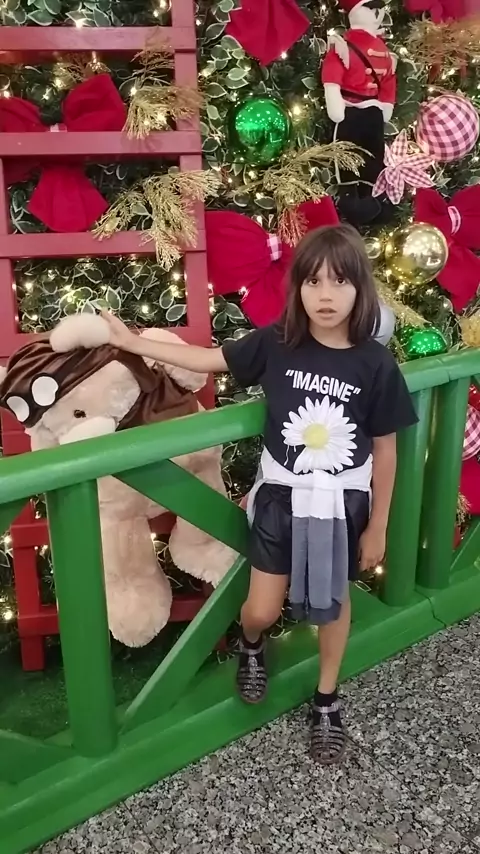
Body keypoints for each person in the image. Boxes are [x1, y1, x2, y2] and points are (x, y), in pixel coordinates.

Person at [100, 223, 418, 765]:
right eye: (313, 281)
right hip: (280, 500)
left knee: (333, 606)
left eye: (339, 282)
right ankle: (252, 644)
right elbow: (209, 359)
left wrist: (379, 523)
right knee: (261, 609)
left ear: (360, 288)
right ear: (297, 287)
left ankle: (327, 698)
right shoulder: (277, 343)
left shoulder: (375, 363)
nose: (325, 295)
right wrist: (131, 342)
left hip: (341, 504)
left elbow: (386, 450)